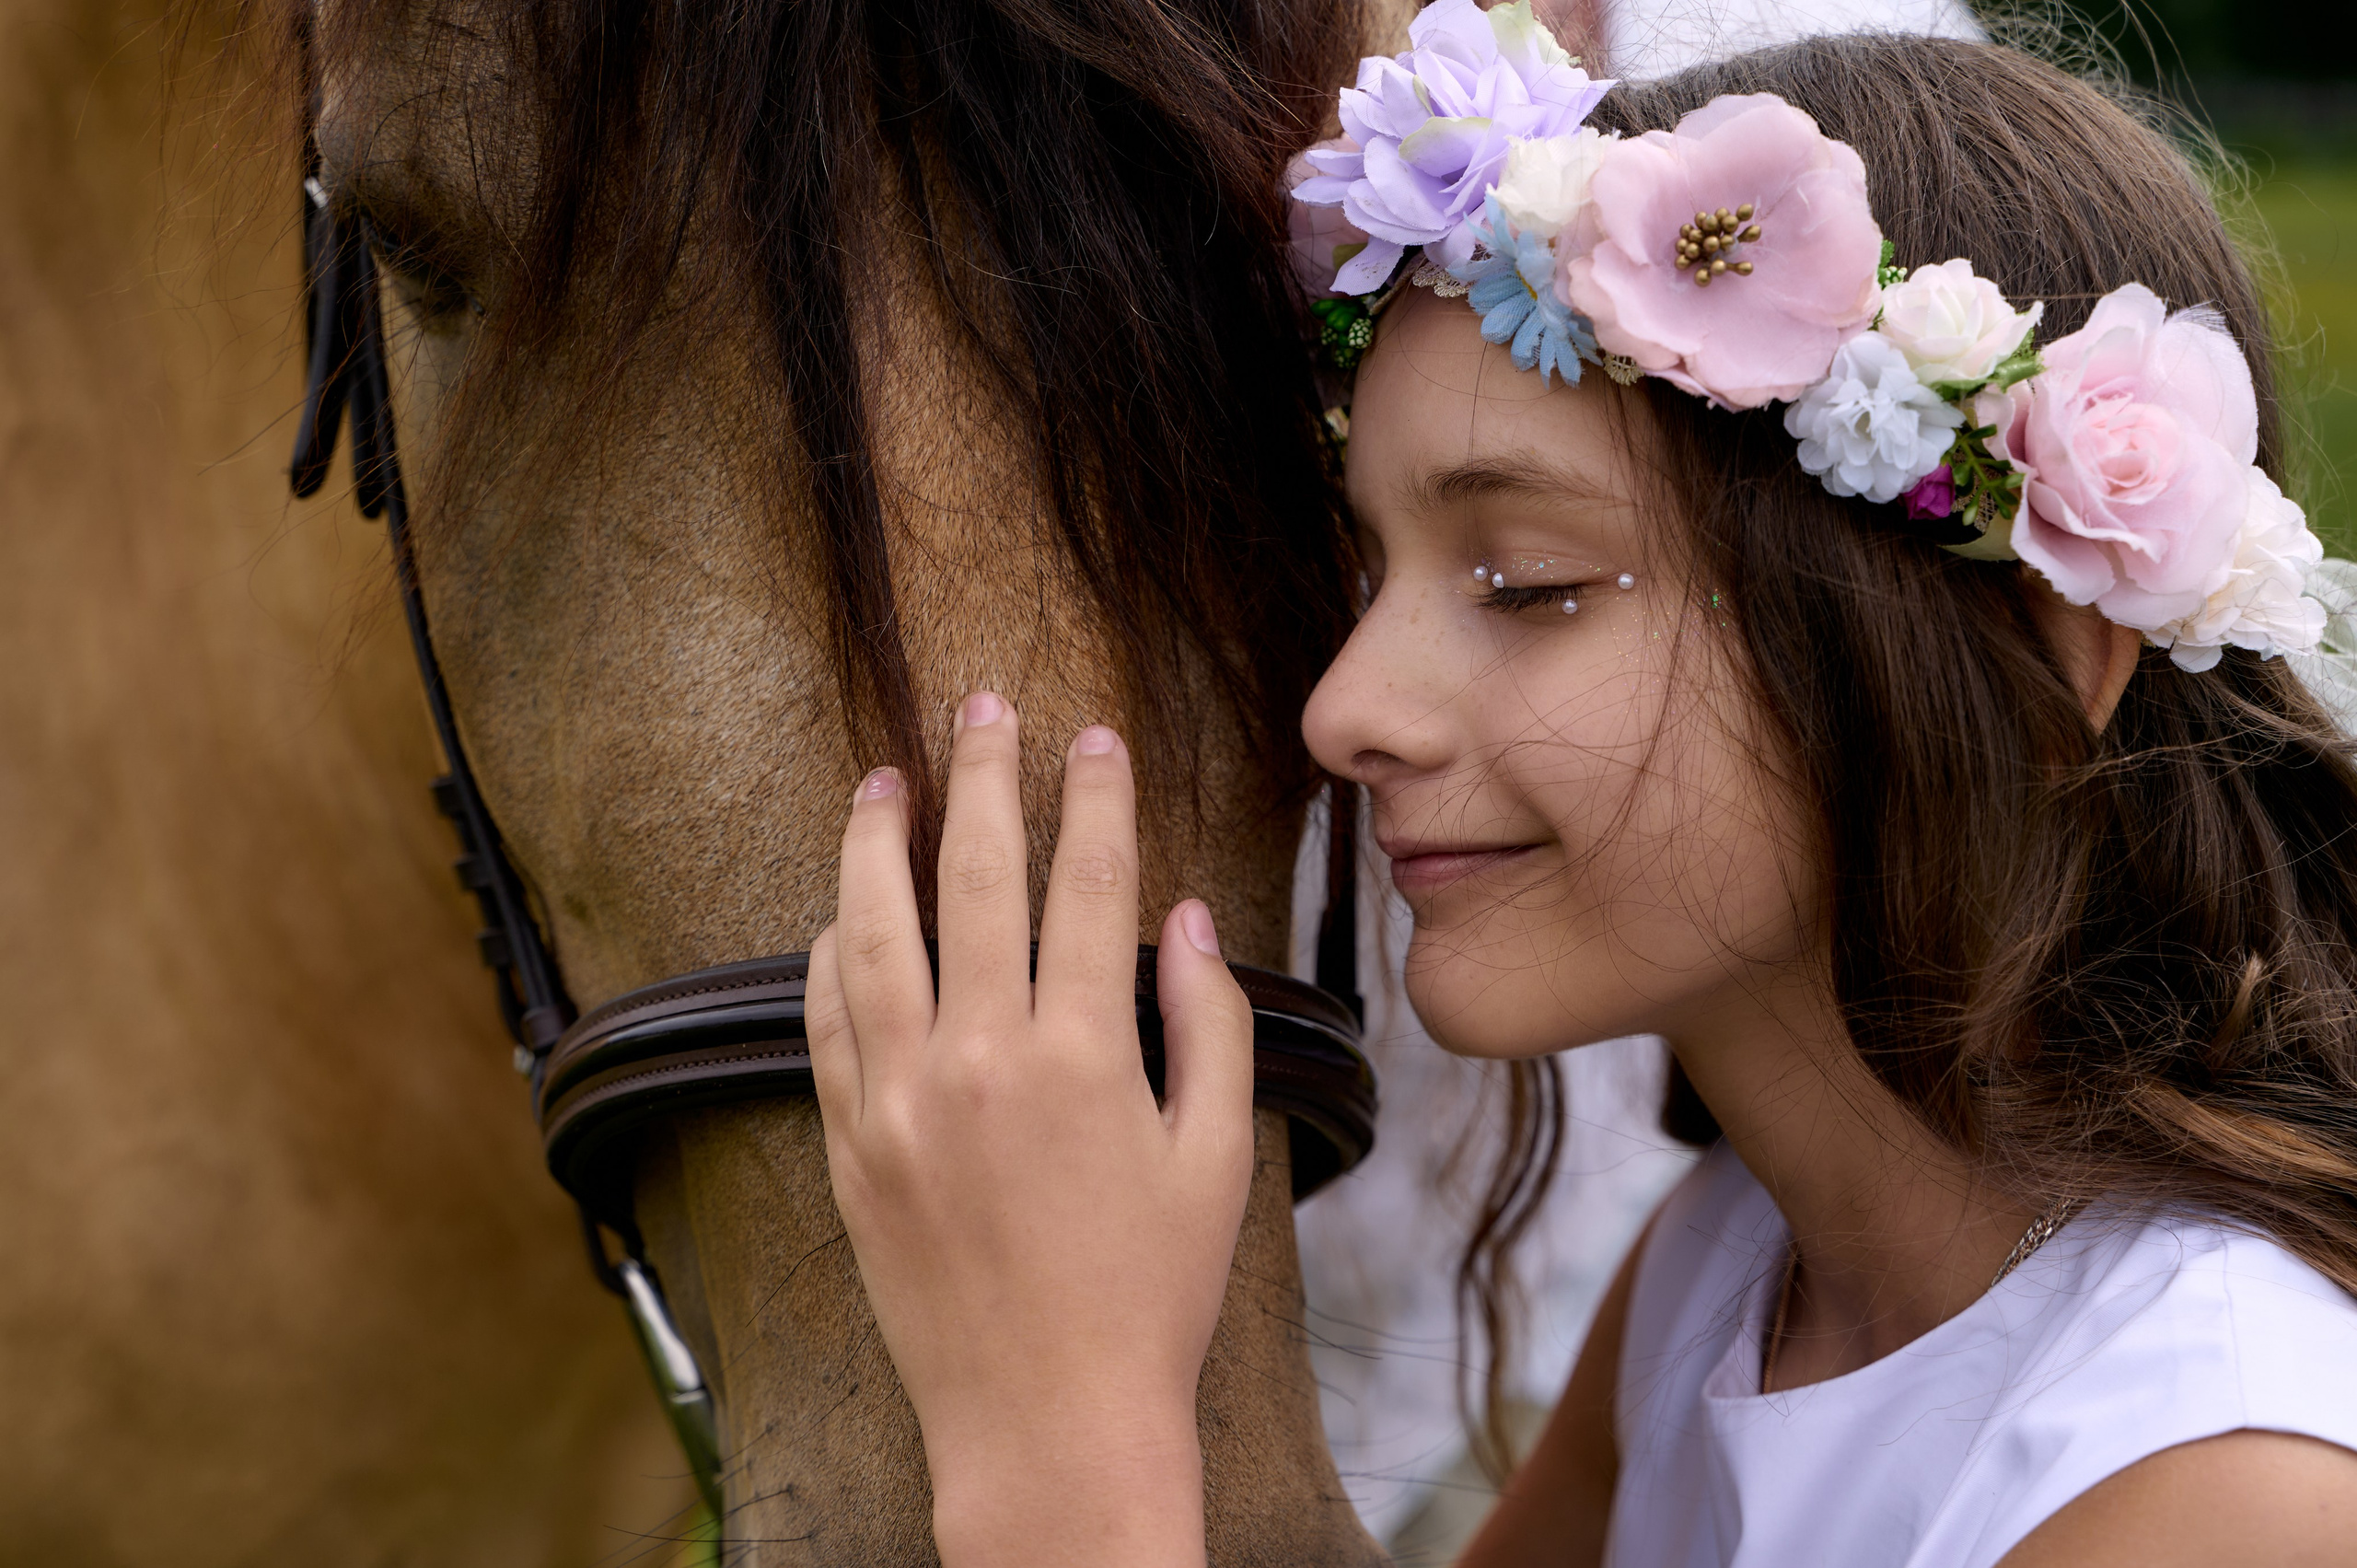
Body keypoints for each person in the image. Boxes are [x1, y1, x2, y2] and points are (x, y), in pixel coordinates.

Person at [802, 12, 2357, 1567]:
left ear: (2035, 649)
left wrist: (1058, 1441)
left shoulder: (2225, 1476)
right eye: (1372, 573)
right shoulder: (1731, 1282)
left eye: (1530, 583)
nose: (1343, 712)